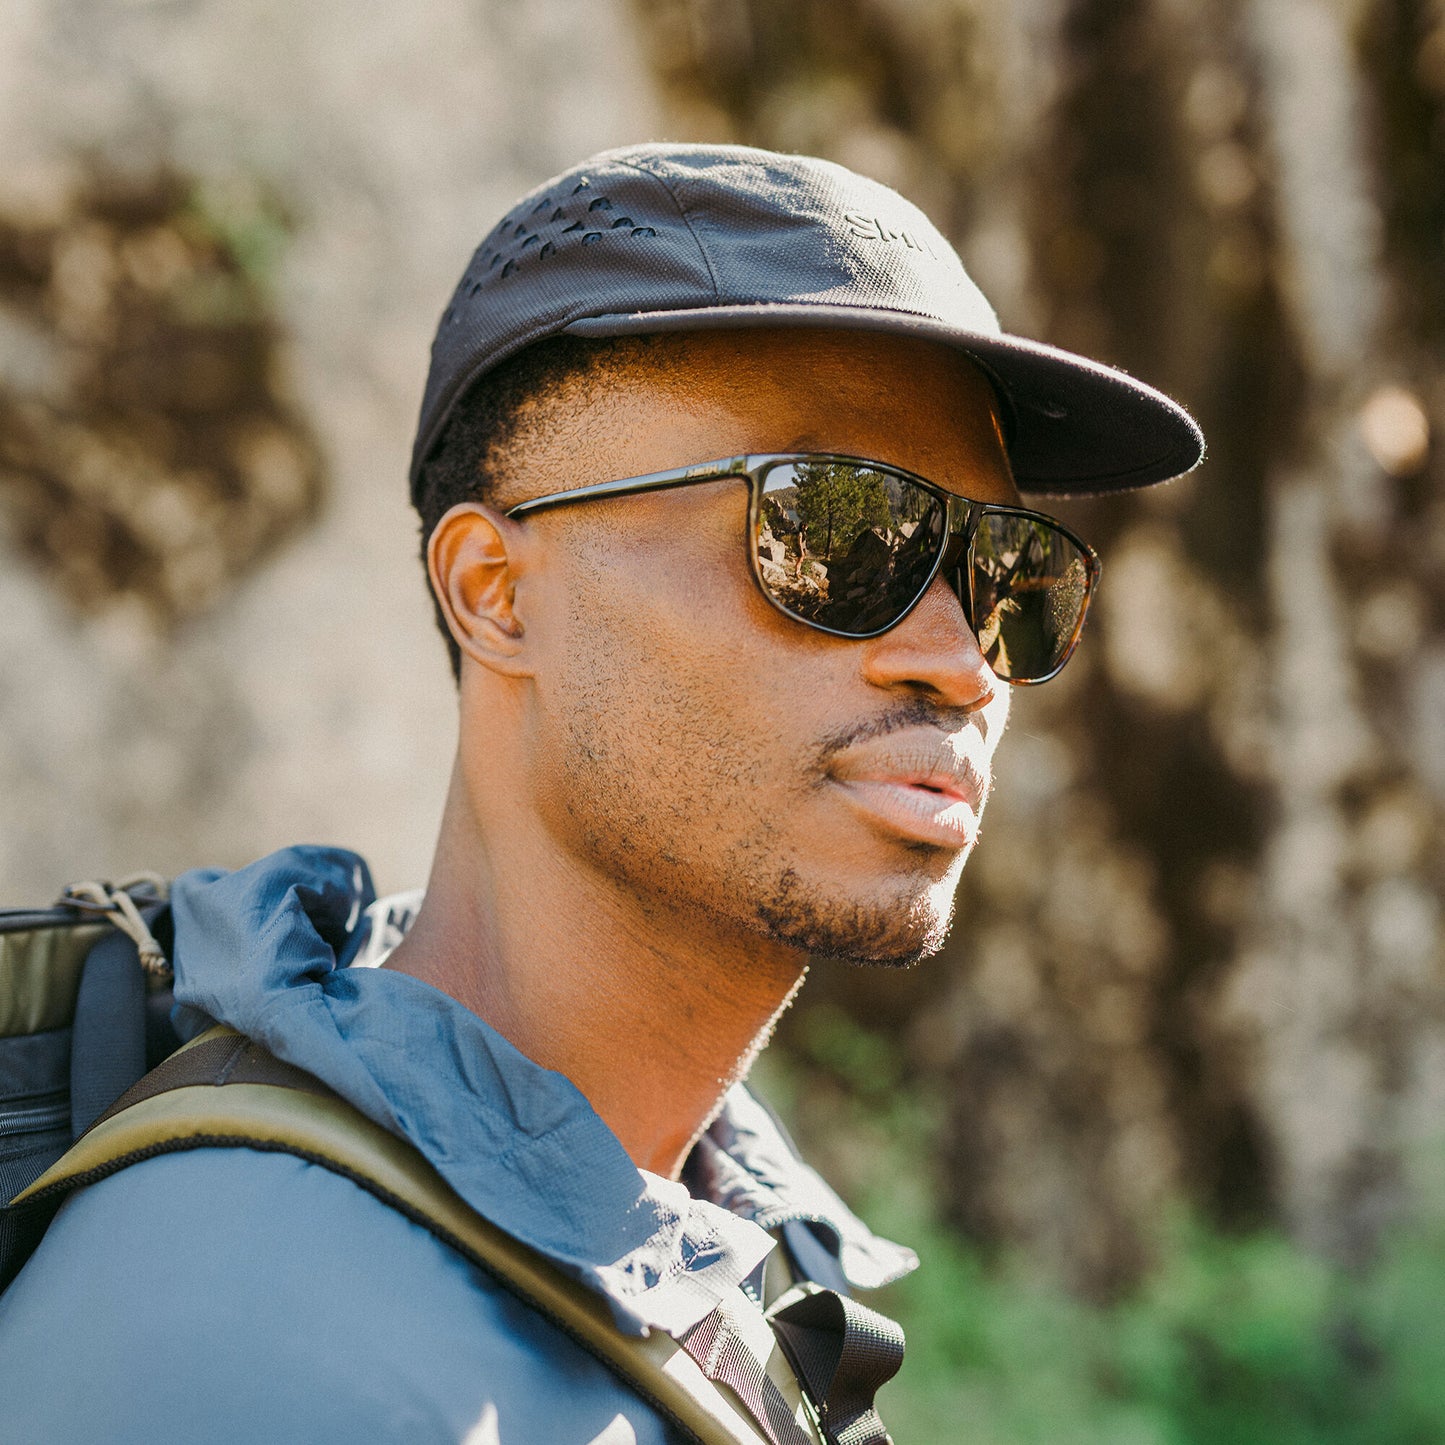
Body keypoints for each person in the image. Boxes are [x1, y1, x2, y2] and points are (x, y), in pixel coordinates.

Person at [0, 143, 1202, 1443]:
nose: (960, 659)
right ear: (497, 595)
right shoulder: (234, 1354)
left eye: (1005, 568)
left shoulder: (715, 1243)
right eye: (835, 530)